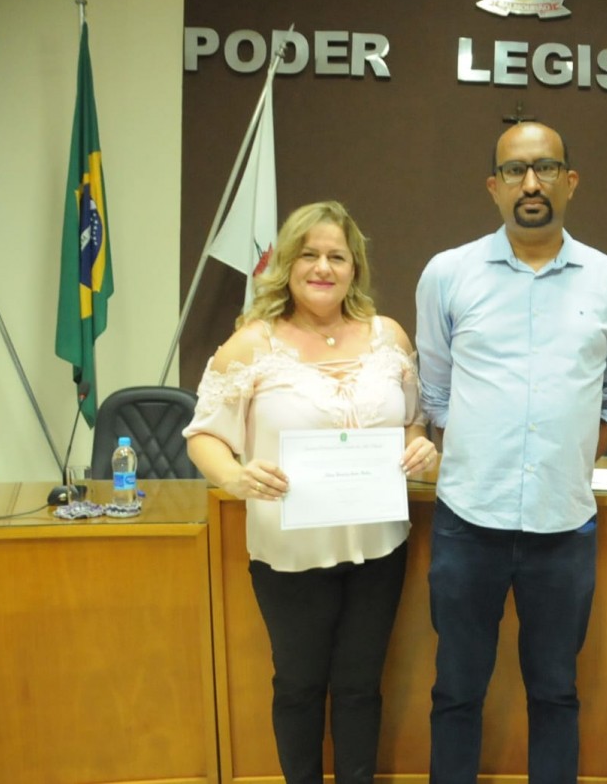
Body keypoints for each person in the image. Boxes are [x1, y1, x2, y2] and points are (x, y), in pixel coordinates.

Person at [415, 121, 607, 782]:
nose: (531, 183)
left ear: (571, 181)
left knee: (556, 694)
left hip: (562, 526)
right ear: (494, 187)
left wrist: (564, 458)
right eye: (515, 171)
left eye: (545, 168)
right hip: (468, 523)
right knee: (456, 692)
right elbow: (436, 390)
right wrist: (482, 454)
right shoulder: (448, 274)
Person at [185, 201, 436, 784]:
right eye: (309, 255)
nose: (323, 267)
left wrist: (419, 445)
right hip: (290, 552)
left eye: (337, 257)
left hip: (378, 545)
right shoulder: (252, 344)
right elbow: (203, 436)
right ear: (287, 265)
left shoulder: (388, 337)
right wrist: (234, 476)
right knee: (298, 686)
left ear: (354, 268)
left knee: (360, 686)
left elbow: (413, 419)